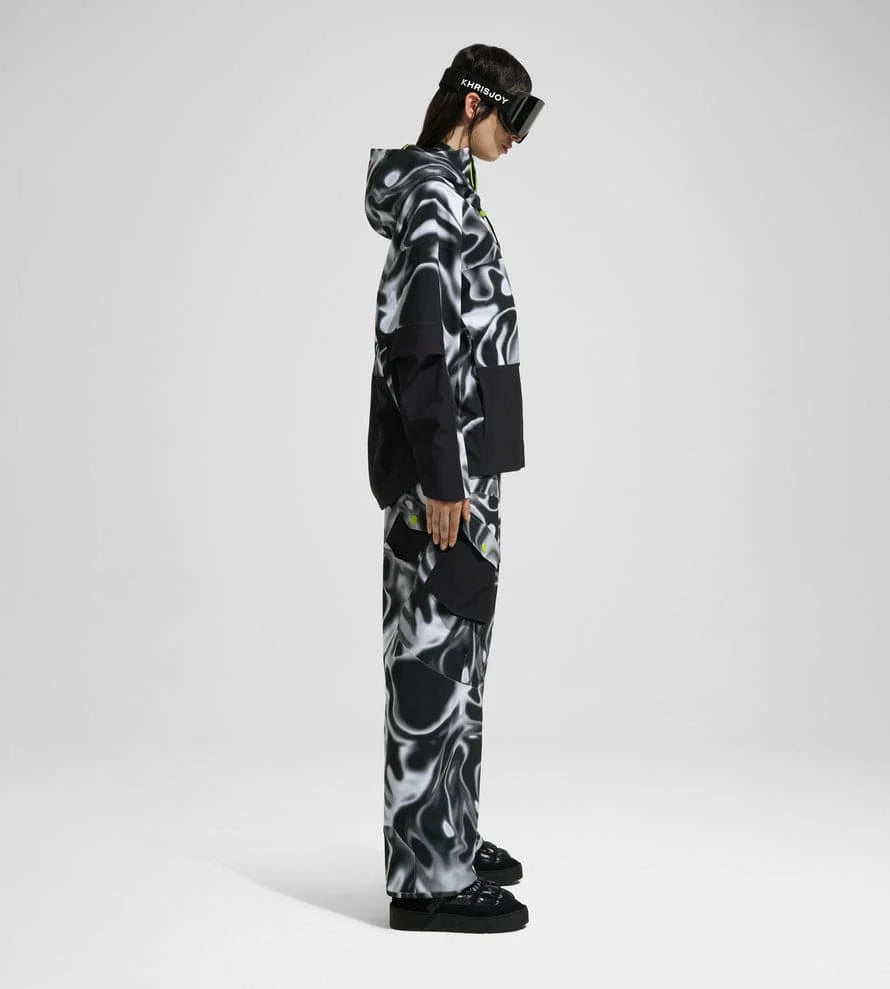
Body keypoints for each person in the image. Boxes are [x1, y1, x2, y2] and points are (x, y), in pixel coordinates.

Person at [364, 44, 544, 934]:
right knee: (431, 663)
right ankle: (426, 882)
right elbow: (418, 342)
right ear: (472, 105)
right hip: (444, 480)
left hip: (468, 471)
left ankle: (451, 834)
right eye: (514, 116)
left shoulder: (455, 190)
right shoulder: (433, 196)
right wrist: (440, 475)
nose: (518, 136)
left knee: (461, 662)